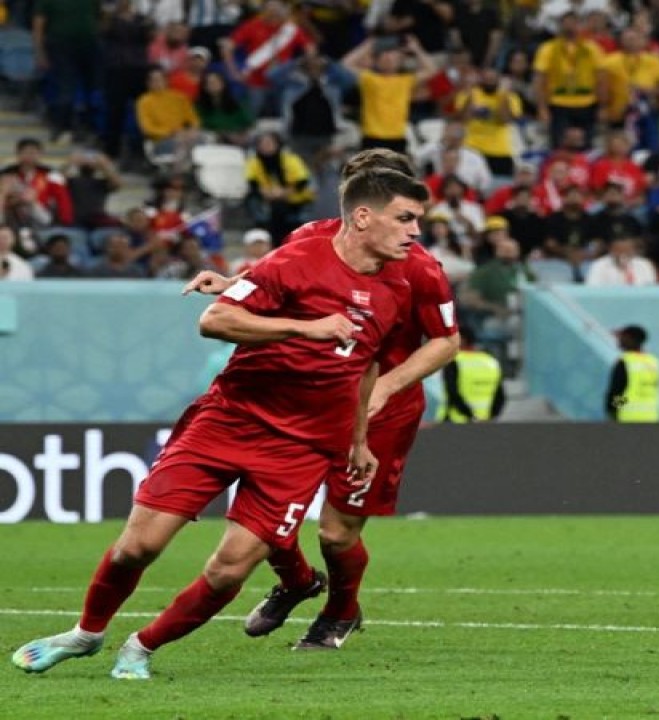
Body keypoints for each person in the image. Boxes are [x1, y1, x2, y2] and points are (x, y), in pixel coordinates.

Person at [11, 168, 431, 679]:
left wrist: (359, 439)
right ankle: (86, 633)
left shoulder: (396, 288)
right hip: (230, 420)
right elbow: (215, 320)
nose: (415, 231)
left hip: (303, 449)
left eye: (418, 221)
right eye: (405, 218)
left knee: (230, 565)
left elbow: (364, 365)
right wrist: (304, 327)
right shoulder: (295, 259)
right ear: (364, 217)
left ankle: (141, 649)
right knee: (137, 546)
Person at [183, 149, 460, 650]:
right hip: (307, 401)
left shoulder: (420, 269)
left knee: (336, 534)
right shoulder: (307, 238)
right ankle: (296, 581)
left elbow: (447, 341)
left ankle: (340, 611)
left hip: (381, 410)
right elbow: (278, 285)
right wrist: (232, 286)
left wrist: (386, 388)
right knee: (267, 515)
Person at [440, 326, 505, 423]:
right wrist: (489, 417)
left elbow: (452, 393)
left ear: (462, 340)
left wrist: (471, 416)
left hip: (456, 421)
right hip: (484, 422)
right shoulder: (490, 361)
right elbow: (500, 396)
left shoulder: (454, 361)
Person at [604, 325, 659, 422]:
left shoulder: (626, 362)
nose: (619, 340)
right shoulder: (653, 363)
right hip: (650, 417)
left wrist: (612, 411)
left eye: (622, 337)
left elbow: (617, 392)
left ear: (630, 339)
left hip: (627, 417)